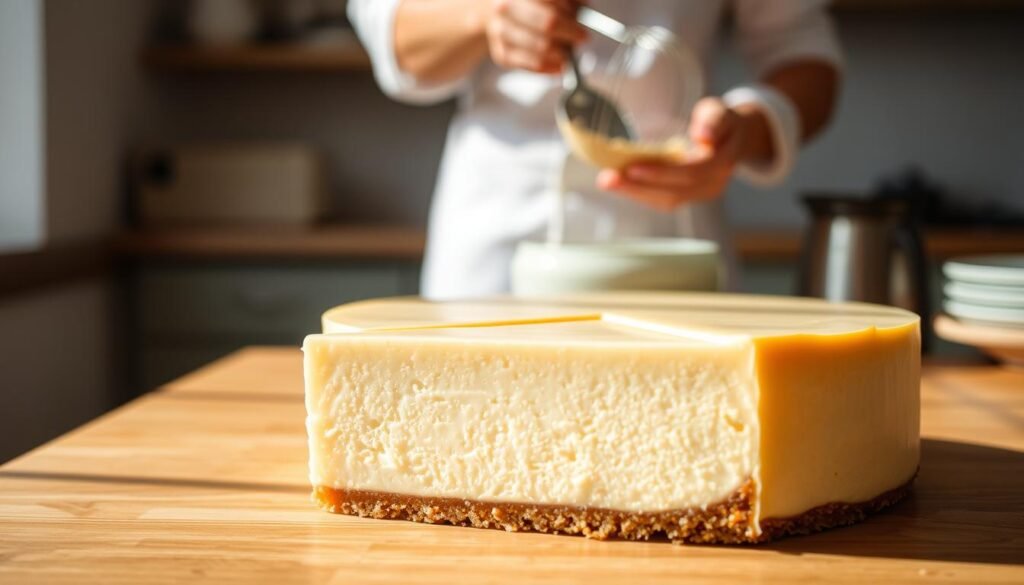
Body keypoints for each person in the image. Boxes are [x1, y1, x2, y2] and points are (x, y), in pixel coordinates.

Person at [349, 0, 842, 298]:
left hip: (671, 246)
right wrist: (484, 15)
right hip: (495, 252)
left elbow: (802, 50)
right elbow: (387, 26)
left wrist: (745, 129)